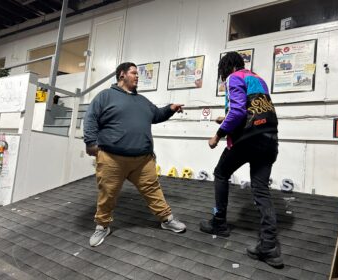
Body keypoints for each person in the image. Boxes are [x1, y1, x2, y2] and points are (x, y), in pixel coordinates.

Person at [83, 62, 186, 247]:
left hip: (143, 159)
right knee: (108, 193)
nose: (137, 76)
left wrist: (170, 108)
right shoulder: (105, 96)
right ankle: (102, 226)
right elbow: (90, 117)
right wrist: (90, 142)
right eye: (133, 73)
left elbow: (157, 115)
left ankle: (166, 219)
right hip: (112, 158)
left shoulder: (142, 100)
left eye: (137, 73)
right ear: (122, 75)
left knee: (153, 190)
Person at [199, 52, 283, 268]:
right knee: (261, 189)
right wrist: (225, 116)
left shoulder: (233, 78)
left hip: (248, 140)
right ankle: (269, 247)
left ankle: (219, 223)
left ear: (227, 67)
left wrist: (217, 135)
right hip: (270, 138)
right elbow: (251, 109)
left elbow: (237, 112)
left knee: (221, 173)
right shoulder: (258, 78)